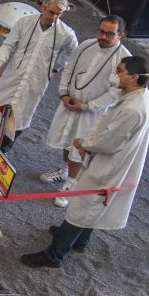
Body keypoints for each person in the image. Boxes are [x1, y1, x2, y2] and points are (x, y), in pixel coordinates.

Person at [21, 57, 149, 268]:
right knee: (91, 206)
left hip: (108, 166)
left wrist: (84, 143)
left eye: (120, 71)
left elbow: (110, 142)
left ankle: (54, 255)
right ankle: (80, 240)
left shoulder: (133, 108)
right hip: (111, 162)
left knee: (84, 207)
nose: (116, 74)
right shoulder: (142, 96)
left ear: (134, 77)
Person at [0, 0, 78, 163]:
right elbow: (9, 44)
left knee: (19, 120)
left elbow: (71, 53)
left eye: (59, 14)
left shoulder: (66, 33)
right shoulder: (25, 22)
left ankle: (2, 155)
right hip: (12, 77)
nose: (54, 17)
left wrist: (55, 68)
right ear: (43, 7)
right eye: (52, 12)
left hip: (35, 84)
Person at [40, 15, 131, 206]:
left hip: (93, 113)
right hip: (70, 103)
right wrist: (64, 93)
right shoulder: (87, 45)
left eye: (109, 34)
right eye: (101, 31)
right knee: (66, 140)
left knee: (80, 148)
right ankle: (64, 171)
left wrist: (86, 106)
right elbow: (69, 68)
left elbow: (115, 92)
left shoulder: (124, 59)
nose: (103, 36)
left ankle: (71, 185)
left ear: (120, 35)